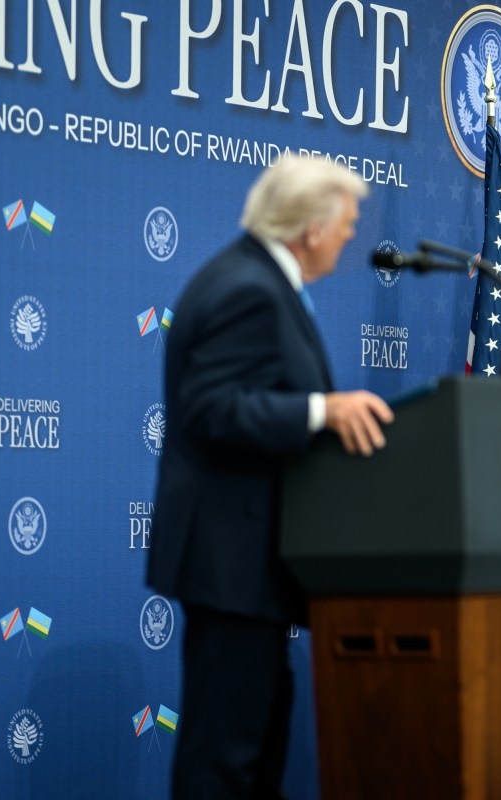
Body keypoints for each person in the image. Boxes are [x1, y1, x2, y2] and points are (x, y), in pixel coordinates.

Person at [147, 155, 394, 799]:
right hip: (232, 563)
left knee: (254, 752)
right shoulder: (247, 288)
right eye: (346, 222)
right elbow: (209, 408)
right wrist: (323, 410)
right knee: (224, 758)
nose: (349, 235)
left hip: (253, 569)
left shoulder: (262, 283)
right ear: (311, 227)